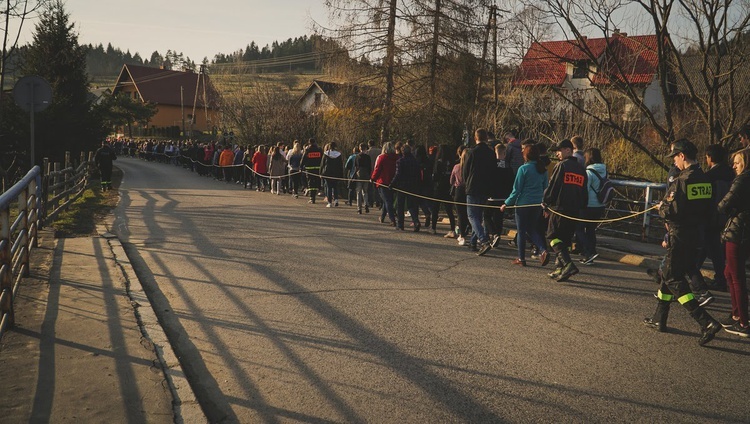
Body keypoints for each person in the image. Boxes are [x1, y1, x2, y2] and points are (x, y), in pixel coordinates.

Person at [643, 139, 722, 346]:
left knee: (672, 276)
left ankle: (705, 322)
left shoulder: (682, 180)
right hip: (697, 234)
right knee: (671, 274)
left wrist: (660, 207)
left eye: (675, 158)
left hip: (680, 234)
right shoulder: (705, 179)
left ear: (682, 156)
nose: (674, 162)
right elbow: (709, 208)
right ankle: (660, 318)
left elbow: (670, 210)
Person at [543, 139, 588, 281]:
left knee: (552, 237)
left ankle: (568, 264)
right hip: (574, 210)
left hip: (560, 208)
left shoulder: (561, 166)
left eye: (559, 150)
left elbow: (553, 186)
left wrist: (546, 202)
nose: (557, 154)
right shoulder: (581, 168)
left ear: (568, 150)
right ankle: (560, 268)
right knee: (565, 240)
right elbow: (584, 191)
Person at [716, 149, 750, 337]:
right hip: (744, 230)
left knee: (736, 276)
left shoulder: (742, 180)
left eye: (737, 162)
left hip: (738, 231)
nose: (734, 166)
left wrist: (717, 208)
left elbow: (725, 204)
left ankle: (743, 321)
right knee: (729, 272)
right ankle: (737, 313)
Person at [501, 141, 549, 266]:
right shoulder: (543, 169)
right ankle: (543, 249)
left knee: (521, 231)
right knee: (532, 229)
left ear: (526, 155)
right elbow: (545, 187)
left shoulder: (523, 169)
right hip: (536, 204)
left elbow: (516, 190)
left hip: (523, 204)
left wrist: (507, 203)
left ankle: (521, 258)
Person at [699, 144, 734, 291]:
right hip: (728, 216)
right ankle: (717, 278)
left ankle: (709, 278)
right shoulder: (732, 174)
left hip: (710, 217)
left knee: (707, 247)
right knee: (712, 247)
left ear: (710, 158)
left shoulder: (709, 176)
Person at [462, 128, 496, 255]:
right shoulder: (491, 153)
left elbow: (465, 170)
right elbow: (494, 170)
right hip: (485, 187)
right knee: (479, 216)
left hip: (473, 186)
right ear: (486, 138)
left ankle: (483, 240)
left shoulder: (471, 152)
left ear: (475, 138)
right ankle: (473, 241)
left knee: (472, 216)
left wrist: (466, 183)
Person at [574, 148, 607, 265]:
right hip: (600, 205)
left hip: (588, 205)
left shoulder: (589, 172)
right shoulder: (604, 170)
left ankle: (589, 253)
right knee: (591, 230)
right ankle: (592, 251)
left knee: (578, 228)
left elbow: (584, 190)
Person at [487, 143, 514, 247]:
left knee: (487, 215)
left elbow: (488, 180)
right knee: (499, 218)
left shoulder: (492, 165)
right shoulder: (508, 166)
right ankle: (498, 235)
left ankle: (493, 233)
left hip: (492, 196)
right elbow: (511, 182)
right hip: (504, 196)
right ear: (505, 153)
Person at [390, 144, 422, 231]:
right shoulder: (415, 161)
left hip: (402, 186)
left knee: (400, 206)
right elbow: (418, 174)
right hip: (413, 185)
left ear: (402, 152)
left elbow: (398, 174)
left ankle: (400, 225)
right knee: (411, 206)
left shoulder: (400, 161)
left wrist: (392, 184)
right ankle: (416, 221)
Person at [432, 144, 457, 237]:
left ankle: (433, 227)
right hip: (448, 187)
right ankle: (452, 229)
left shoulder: (438, 162)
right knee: (449, 210)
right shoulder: (452, 162)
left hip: (439, 187)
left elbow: (435, 175)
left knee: (435, 208)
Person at [371, 142, 398, 225]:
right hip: (393, 182)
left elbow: (377, 169)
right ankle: (382, 217)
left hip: (383, 182)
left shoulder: (382, 158)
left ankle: (392, 219)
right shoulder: (397, 157)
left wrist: (372, 178)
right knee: (387, 200)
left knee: (387, 201)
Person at [451, 145, 469, 245]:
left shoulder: (456, 167)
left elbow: (451, 180)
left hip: (458, 190)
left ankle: (462, 235)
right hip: (468, 190)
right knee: (468, 213)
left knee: (460, 214)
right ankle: (467, 230)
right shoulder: (470, 167)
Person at [320, 142, 344, 207]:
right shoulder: (338, 154)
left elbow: (322, 164)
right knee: (335, 187)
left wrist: (320, 173)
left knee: (329, 187)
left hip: (327, 173)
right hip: (336, 173)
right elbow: (340, 165)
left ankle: (329, 202)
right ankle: (336, 200)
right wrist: (341, 174)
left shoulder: (326, 154)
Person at [300, 138, 323, 204]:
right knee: (316, 183)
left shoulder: (308, 150)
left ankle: (312, 198)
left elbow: (303, 159)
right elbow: (322, 159)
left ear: (309, 143)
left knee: (310, 183)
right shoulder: (319, 150)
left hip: (309, 169)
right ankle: (314, 196)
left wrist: (301, 167)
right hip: (317, 169)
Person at [353, 143, 372, 214]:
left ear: (360, 148)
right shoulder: (368, 157)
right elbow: (370, 167)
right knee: (365, 191)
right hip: (366, 175)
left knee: (358, 192)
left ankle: (359, 208)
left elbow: (356, 167)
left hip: (359, 175)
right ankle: (366, 204)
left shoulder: (357, 156)